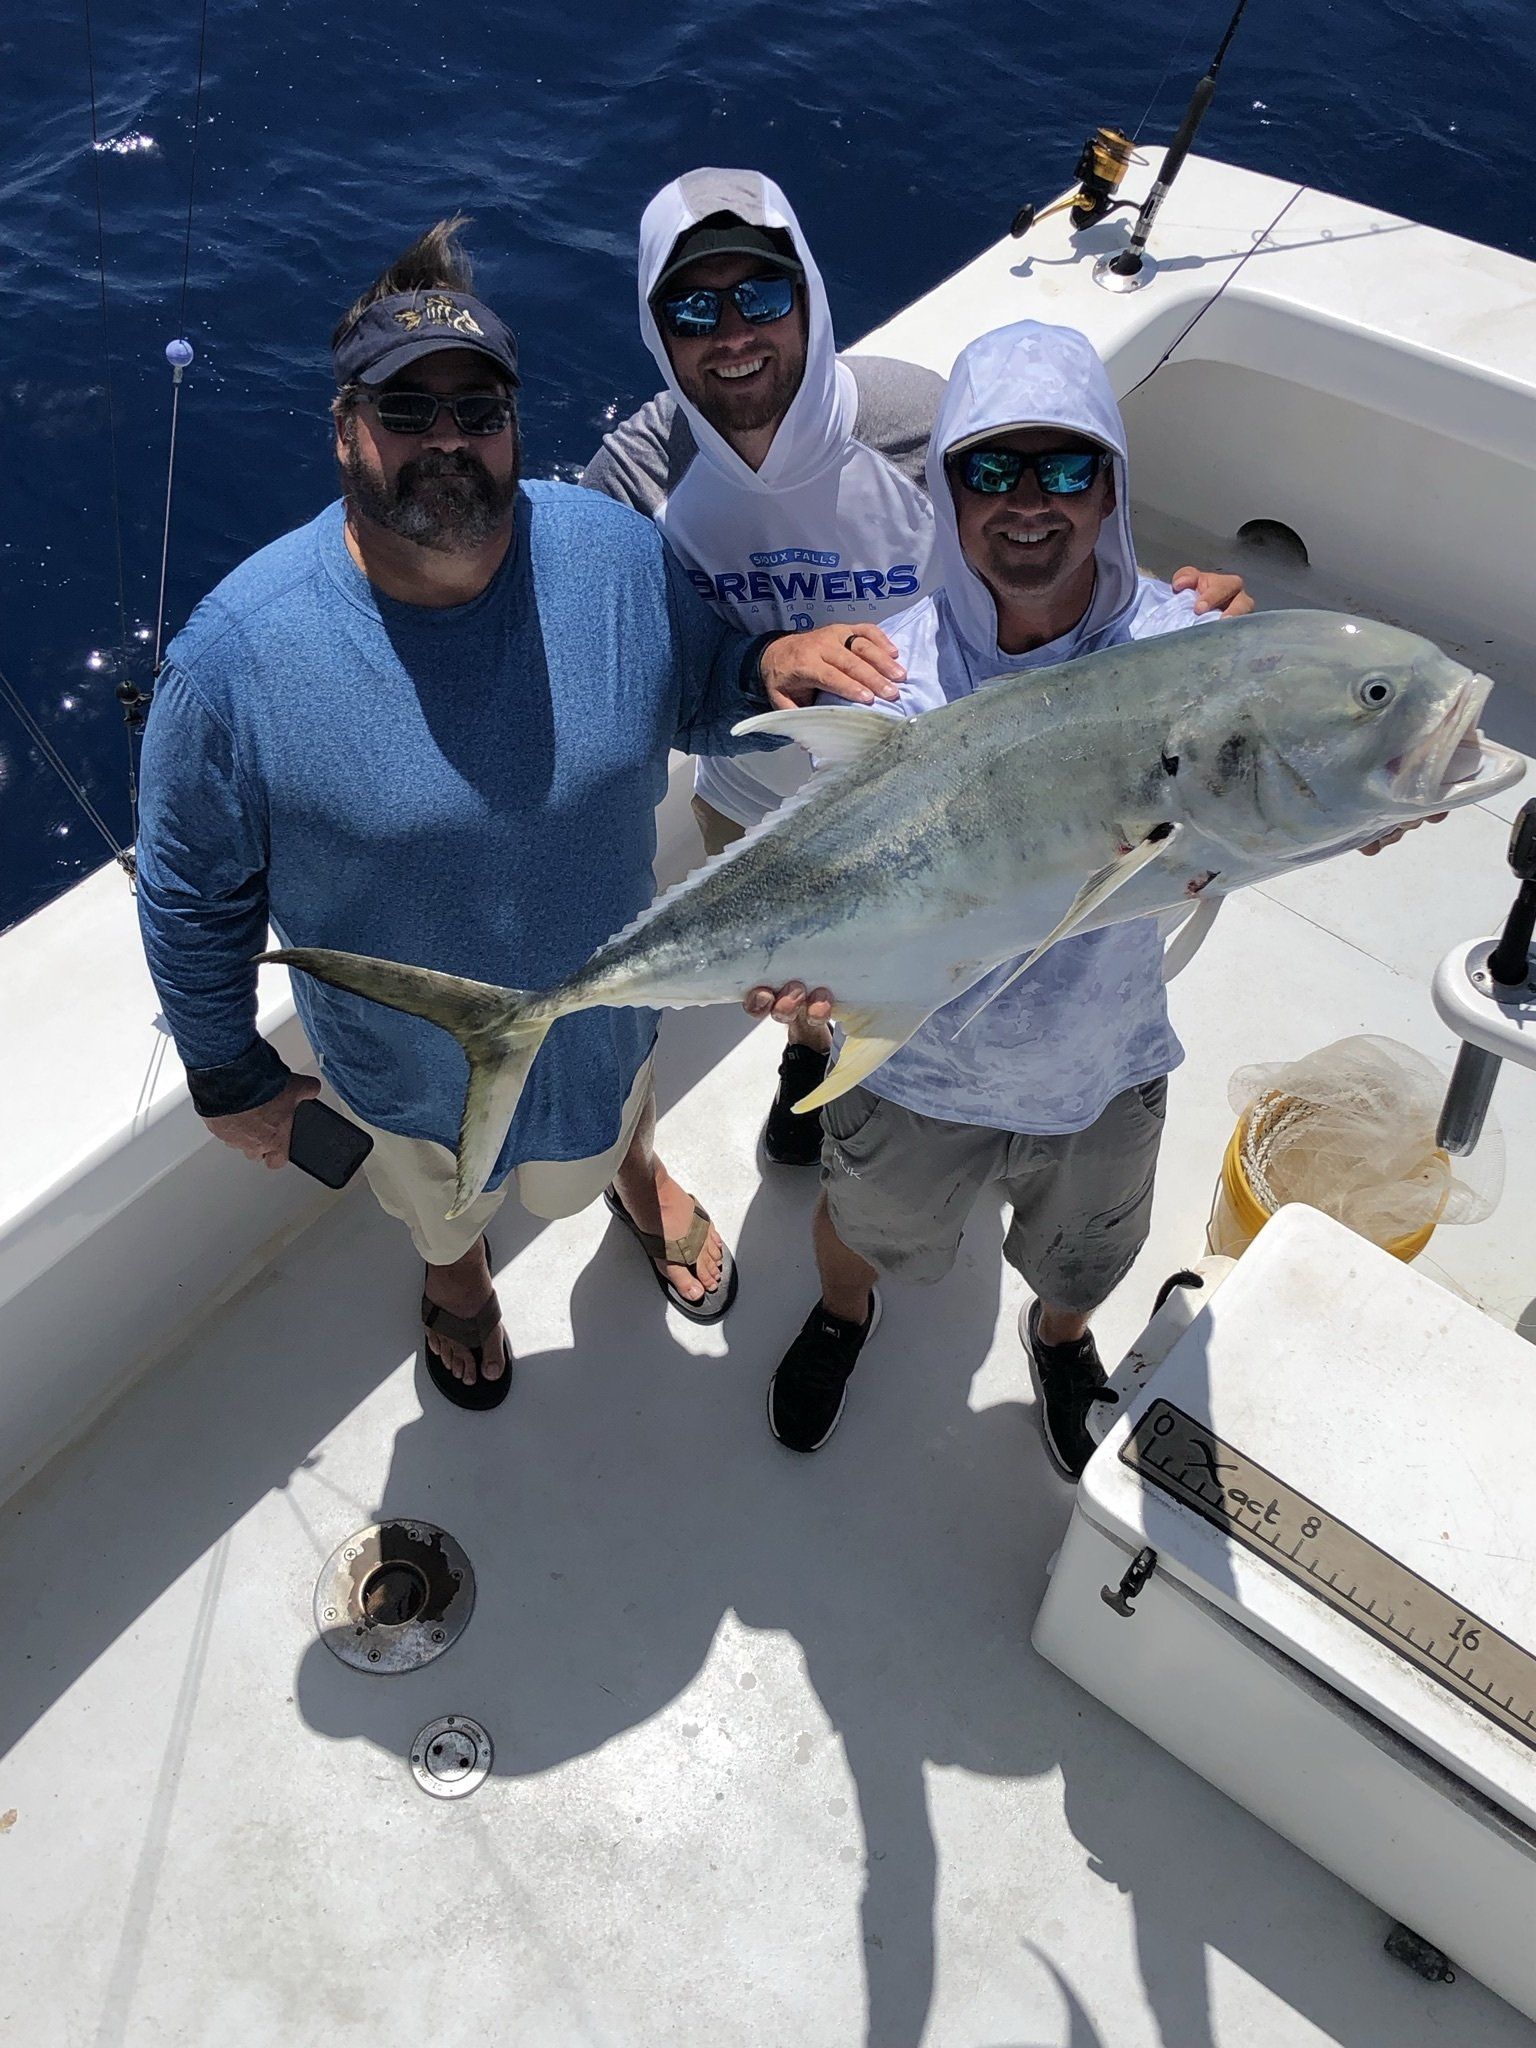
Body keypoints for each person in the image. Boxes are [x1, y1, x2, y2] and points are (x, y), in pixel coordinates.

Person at [133, 217, 901, 1413]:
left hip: (606, 1018)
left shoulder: (613, 553)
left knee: (620, 1109)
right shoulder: (232, 663)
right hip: (407, 1070)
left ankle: (636, 1182)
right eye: (407, 412)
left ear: (514, 427)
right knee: (436, 1200)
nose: (448, 441)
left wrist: (766, 669)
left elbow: (694, 684)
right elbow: (190, 895)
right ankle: (459, 1281)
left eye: (477, 412)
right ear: (345, 430)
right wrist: (228, 1068)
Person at [583, 167, 1250, 1163]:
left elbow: (1035, 533)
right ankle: (810, 1058)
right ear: (656, 326)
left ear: (808, 290)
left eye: (763, 295)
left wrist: (1178, 612)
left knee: (940, 962)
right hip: (753, 795)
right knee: (806, 993)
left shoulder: (908, 417)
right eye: (692, 306)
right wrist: (761, 656)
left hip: (947, 802)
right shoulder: (641, 468)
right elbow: (604, 652)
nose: (733, 334)